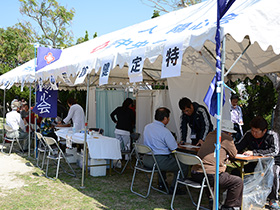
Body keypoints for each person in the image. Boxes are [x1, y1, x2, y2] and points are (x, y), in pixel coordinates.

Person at [191, 120, 243, 210]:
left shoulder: (210, 135)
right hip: (210, 175)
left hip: (196, 173)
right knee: (237, 182)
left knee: (211, 174)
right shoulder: (227, 138)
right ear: (229, 132)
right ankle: (228, 206)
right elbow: (233, 154)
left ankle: (212, 199)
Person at [235, 116, 280, 209]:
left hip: (272, 163)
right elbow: (239, 146)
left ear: (264, 131)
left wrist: (255, 152)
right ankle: (237, 196)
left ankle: (273, 200)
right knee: (236, 172)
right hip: (255, 163)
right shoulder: (248, 134)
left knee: (274, 173)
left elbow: (275, 151)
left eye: (256, 131)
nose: (254, 133)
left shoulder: (272, 135)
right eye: (252, 130)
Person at [143, 107, 188, 194]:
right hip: (159, 161)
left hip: (147, 159)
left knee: (165, 160)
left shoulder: (147, 127)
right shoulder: (165, 131)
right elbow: (174, 147)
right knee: (183, 165)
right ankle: (175, 188)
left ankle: (161, 184)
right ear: (165, 118)